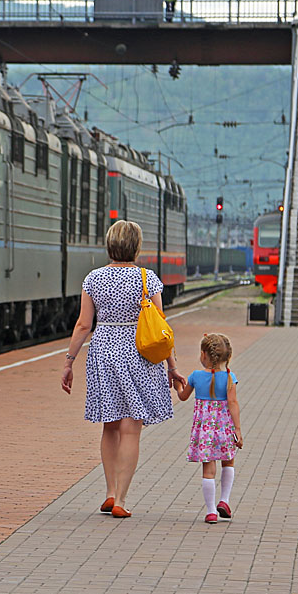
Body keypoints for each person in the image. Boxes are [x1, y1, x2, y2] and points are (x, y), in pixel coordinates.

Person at [60, 220, 186, 519]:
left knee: (110, 424)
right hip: (140, 353)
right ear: (137, 247)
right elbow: (160, 327)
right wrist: (172, 365)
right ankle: (122, 499)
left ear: (109, 244)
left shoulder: (93, 279)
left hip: (103, 350)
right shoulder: (147, 278)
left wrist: (69, 361)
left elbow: (83, 325)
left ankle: (109, 492)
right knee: (132, 428)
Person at [175, 333, 243, 524]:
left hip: (204, 430)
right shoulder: (230, 377)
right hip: (224, 427)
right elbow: (233, 403)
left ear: (204, 354)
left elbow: (183, 397)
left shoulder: (196, 377)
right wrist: (237, 429)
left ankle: (211, 511)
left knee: (209, 469)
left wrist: (177, 387)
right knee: (228, 461)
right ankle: (225, 500)